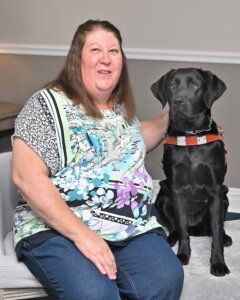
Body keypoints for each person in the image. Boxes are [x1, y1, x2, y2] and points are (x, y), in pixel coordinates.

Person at [12, 19, 184, 300]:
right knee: (96, 293)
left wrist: (171, 119)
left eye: (113, 51)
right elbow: (26, 177)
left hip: (125, 224)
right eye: (95, 50)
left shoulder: (118, 110)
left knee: (165, 279)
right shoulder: (45, 105)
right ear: (76, 59)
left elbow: (131, 142)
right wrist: (84, 236)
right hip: (58, 227)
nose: (105, 59)